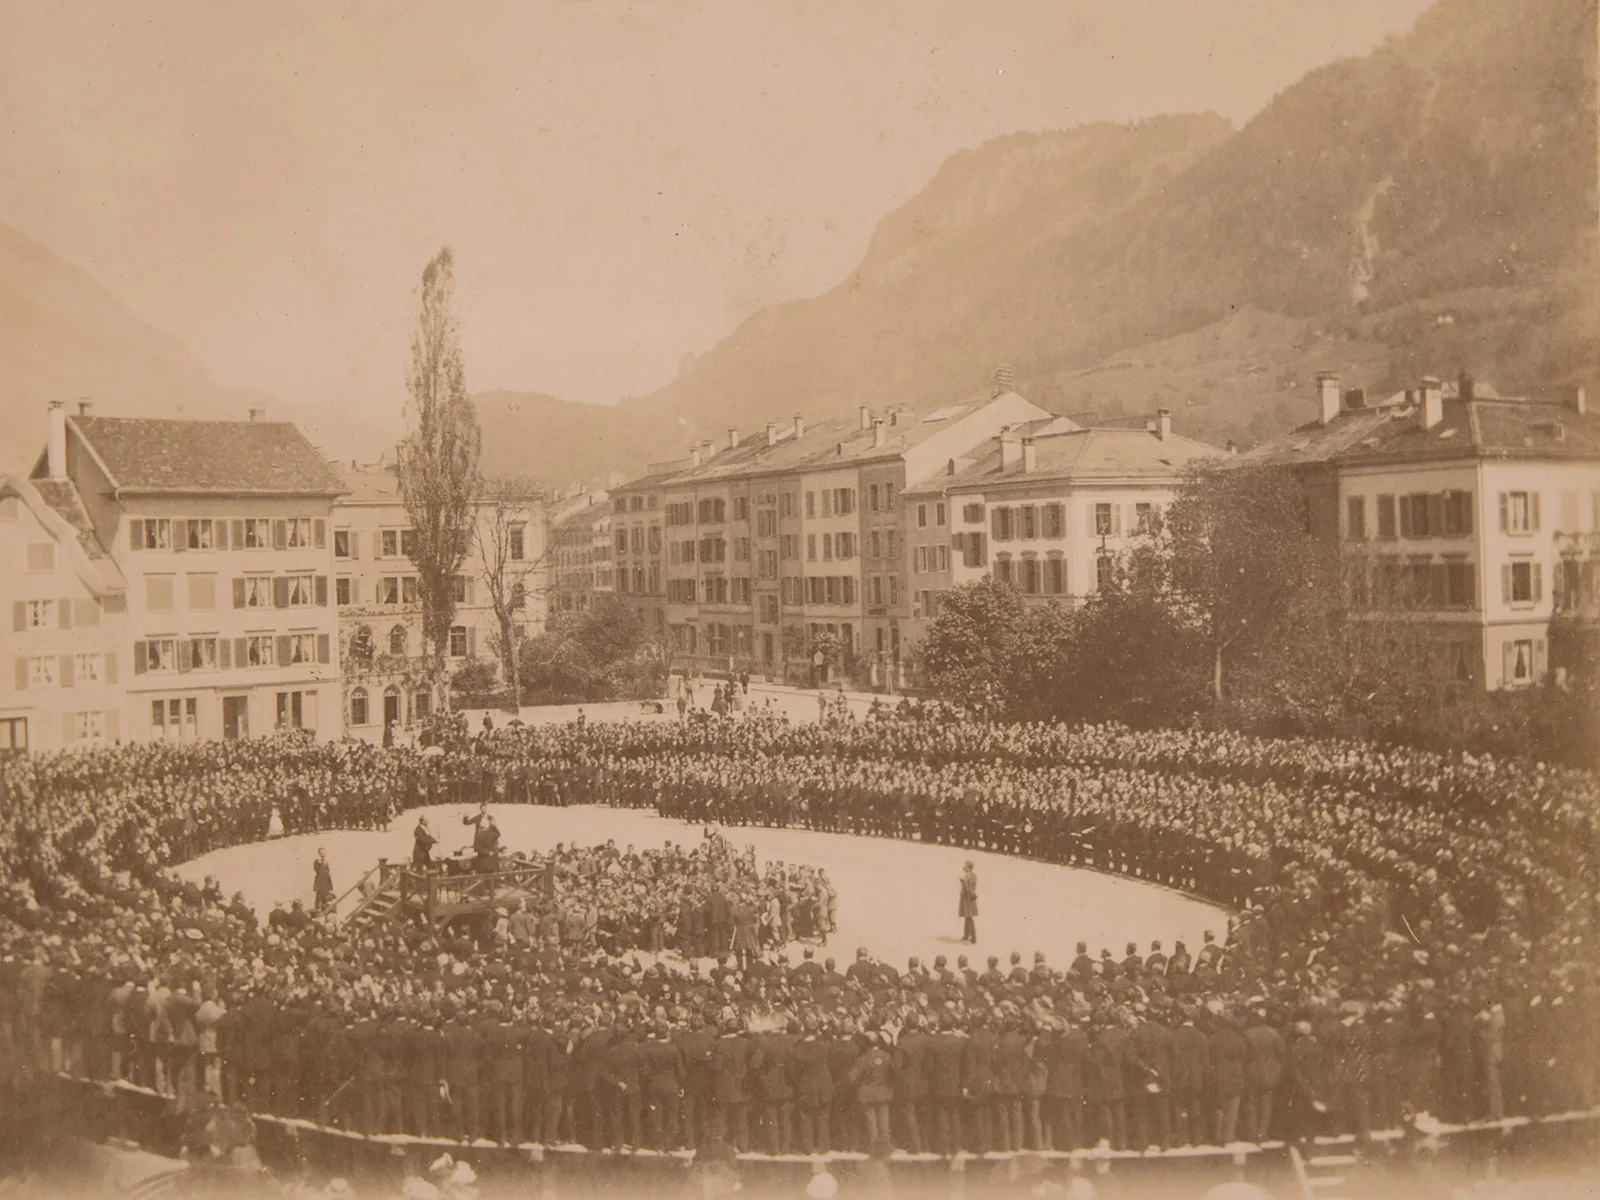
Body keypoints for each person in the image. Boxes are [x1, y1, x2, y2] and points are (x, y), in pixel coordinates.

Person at [959, 862, 978, 944]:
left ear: (968, 867)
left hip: (967, 899)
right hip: (970, 899)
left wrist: (963, 882)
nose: (964, 867)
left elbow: (968, 889)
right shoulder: (973, 875)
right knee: (967, 917)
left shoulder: (968, 876)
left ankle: (973, 937)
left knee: (968, 917)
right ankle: (966, 935)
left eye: (965, 866)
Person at [312, 848, 334, 913]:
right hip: (320, 881)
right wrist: (319, 863)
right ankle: (317, 909)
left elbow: (327, 871)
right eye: (322, 852)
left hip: (326, 881)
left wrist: (330, 882)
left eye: (324, 852)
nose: (323, 854)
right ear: (319, 853)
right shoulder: (317, 861)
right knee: (318, 896)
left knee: (326, 895)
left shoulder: (326, 861)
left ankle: (324, 909)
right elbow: (316, 870)